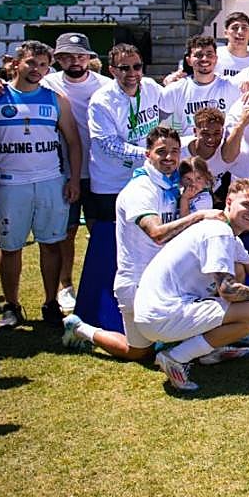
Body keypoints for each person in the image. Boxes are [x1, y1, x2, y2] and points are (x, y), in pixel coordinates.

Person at [62, 126, 221, 357]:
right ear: (147, 154)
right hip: (137, 282)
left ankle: (207, 342)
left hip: (170, 278)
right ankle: (80, 328)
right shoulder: (140, 190)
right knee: (136, 352)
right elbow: (157, 234)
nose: (169, 157)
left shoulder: (172, 181)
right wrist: (199, 216)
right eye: (161, 151)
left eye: (174, 151)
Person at [131, 178, 249, 392]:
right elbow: (228, 290)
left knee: (239, 269)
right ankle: (175, 357)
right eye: (246, 205)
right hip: (161, 315)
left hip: (163, 310)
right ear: (229, 202)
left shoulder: (229, 235)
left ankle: (209, 349)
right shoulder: (218, 232)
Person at [0, 41, 81, 329]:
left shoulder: (57, 100)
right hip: (10, 183)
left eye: (44, 65)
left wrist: (74, 179)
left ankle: (50, 303)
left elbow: (73, 142)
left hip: (49, 182)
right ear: (16, 62)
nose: (37, 70)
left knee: (52, 244)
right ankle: (12, 305)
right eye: (31, 63)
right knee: (9, 247)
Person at [41, 31, 110, 311]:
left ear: (89, 58)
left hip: (99, 172)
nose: (75, 61)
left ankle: (100, 283)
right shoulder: (47, 83)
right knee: (66, 232)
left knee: (100, 230)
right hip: (62, 171)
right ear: (58, 59)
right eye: (68, 56)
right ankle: (65, 285)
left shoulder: (104, 85)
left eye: (80, 55)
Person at [85, 43, 165, 224]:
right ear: (112, 70)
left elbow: (170, 105)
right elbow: (110, 145)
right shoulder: (101, 101)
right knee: (111, 239)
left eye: (137, 67)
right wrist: (151, 155)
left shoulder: (150, 87)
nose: (132, 73)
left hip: (146, 176)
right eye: (124, 68)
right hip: (112, 183)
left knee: (146, 235)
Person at [159, 35, 240, 137]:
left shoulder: (232, 86)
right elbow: (158, 124)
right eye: (198, 55)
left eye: (209, 54)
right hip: (191, 151)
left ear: (216, 58)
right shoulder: (175, 90)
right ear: (189, 60)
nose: (204, 59)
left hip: (223, 150)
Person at [183, 106, 249, 206]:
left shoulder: (227, 153)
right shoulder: (178, 150)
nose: (211, 139)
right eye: (205, 133)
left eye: (216, 133)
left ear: (222, 131)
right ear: (195, 131)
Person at [215, 12, 249, 78]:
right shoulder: (215, 56)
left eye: (244, 28)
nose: (240, 32)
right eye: (235, 28)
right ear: (226, 33)